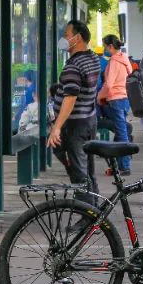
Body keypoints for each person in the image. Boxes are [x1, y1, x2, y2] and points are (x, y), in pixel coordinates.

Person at [47, 20, 101, 205]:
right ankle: (94, 209)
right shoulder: (93, 58)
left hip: (74, 126)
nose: (63, 38)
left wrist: (56, 128)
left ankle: (86, 215)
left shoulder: (73, 66)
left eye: (66, 34)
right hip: (89, 120)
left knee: (79, 173)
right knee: (88, 170)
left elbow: (70, 98)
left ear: (77, 38)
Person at [97, 34, 133, 175]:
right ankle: (117, 163)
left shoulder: (113, 62)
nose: (105, 49)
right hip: (125, 99)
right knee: (121, 130)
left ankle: (124, 166)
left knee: (122, 132)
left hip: (115, 99)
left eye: (105, 46)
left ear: (110, 46)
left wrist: (99, 97)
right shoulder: (124, 59)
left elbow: (109, 84)